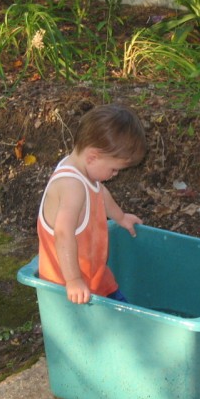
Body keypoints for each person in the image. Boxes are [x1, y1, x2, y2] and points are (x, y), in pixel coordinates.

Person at [37, 103, 147, 304]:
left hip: (94, 273)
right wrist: (73, 280)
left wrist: (120, 217)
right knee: (115, 324)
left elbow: (100, 193)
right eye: (114, 169)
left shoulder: (86, 170)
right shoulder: (71, 187)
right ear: (93, 157)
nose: (114, 175)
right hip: (68, 285)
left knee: (122, 313)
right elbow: (63, 234)